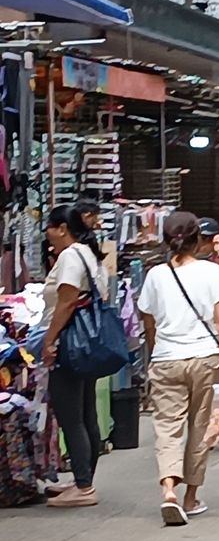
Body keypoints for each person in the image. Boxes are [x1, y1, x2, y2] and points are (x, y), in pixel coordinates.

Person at [138, 212, 219, 525]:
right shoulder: (212, 273)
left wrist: (156, 351)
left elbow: (148, 319)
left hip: (166, 359)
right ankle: (191, 498)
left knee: (167, 427)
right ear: (198, 239)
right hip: (204, 358)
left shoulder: (156, 274)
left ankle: (168, 489)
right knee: (199, 427)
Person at [41, 205, 110, 509]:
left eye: (49, 227)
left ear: (61, 229)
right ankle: (85, 479)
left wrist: (49, 339)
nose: (47, 234)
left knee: (71, 415)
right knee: (85, 414)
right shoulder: (89, 254)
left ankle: (83, 486)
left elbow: (67, 301)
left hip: (70, 342)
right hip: (87, 343)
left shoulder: (70, 256)